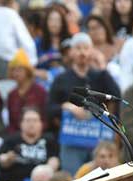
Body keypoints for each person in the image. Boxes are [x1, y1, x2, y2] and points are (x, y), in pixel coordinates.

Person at [47, 32, 120, 173]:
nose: (82, 52)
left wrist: (102, 68)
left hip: (97, 137)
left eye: (86, 48)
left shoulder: (100, 76)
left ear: (92, 51)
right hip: (72, 138)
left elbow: (116, 98)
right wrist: (66, 106)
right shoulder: (61, 78)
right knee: (74, 180)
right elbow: (49, 108)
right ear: (71, 52)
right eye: (78, 48)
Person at [0, 109, 58, 181]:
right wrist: (7, 159)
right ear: (21, 124)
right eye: (28, 120)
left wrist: (47, 170)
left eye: (35, 120)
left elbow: (54, 160)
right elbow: (1, 160)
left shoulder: (49, 140)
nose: (31, 124)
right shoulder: (11, 140)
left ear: (41, 124)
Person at [6, 50, 48, 134]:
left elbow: (46, 118)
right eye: (13, 70)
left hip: (38, 135)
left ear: (28, 71)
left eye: (19, 69)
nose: (16, 73)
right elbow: (11, 122)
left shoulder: (40, 91)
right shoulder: (12, 94)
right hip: (17, 135)